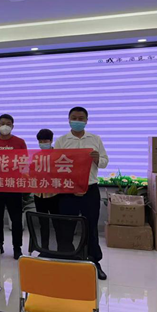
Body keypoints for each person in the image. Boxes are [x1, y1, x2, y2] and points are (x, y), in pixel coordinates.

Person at [55, 107, 109, 280]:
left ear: (86, 120)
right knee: (66, 227)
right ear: (68, 119)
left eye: (80, 118)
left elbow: (105, 162)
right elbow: (54, 165)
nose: (77, 121)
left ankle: (94, 262)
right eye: (74, 118)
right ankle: (67, 261)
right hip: (68, 190)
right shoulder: (62, 141)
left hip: (90, 189)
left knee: (91, 227)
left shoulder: (95, 139)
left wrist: (97, 159)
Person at [0, 114, 27, 259]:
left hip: (14, 186)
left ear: (13, 126)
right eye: (2, 123)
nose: (5, 126)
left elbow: (24, 163)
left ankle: (17, 247)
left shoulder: (20, 142)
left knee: (16, 219)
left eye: (8, 124)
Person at [33, 129, 60, 250]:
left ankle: (60, 249)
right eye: (41, 141)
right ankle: (44, 249)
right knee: (43, 223)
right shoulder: (36, 156)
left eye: (45, 141)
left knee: (57, 223)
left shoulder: (58, 156)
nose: (43, 143)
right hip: (39, 195)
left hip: (54, 195)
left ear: (51, 140)